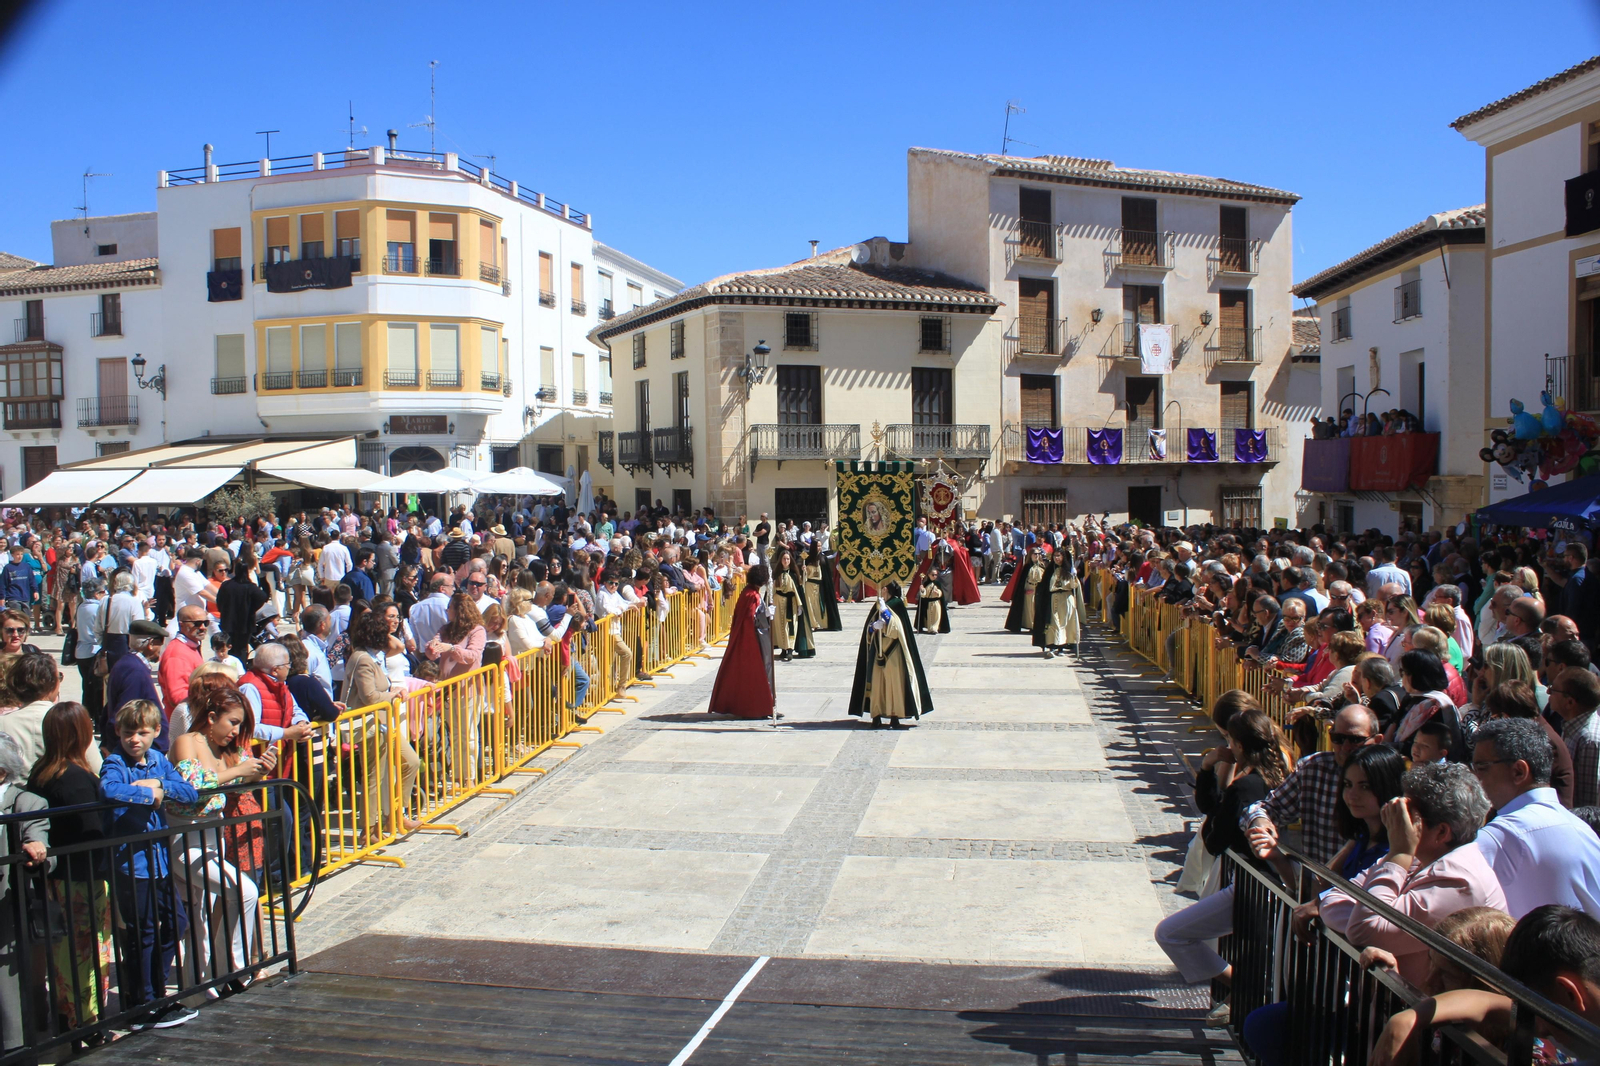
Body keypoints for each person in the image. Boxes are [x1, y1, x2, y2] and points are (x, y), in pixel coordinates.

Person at [1317, 762, 1507, 987]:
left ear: (1442, 831)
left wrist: (1399, 853)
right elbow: (1332, 900)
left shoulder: (1461, 881)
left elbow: (1362, 931)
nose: (1395, 820)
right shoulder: (1417, 857)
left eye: (1407, 814)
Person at [1155, 709, 1290, 1018]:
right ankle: (1243, 993)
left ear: (1238, 745)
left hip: (1250, 883)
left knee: (1171, 933)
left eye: (1228, 740)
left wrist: (1216, 780)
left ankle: (1244, 987)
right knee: (1252, 950)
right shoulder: (1276, 777)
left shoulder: (1245, 787)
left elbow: (1214, 839)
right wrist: (1213, 773)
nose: (1225, 746)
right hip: (1264, 882)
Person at [98, 699, 199, 1029]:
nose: (135, 740)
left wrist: (158, 785)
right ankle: (142, 1002)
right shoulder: (115, 762)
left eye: (142, 733)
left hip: (159, 862)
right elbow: (109, 788)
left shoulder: (157, 759)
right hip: (132, 864)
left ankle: (155, 991)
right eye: (128, 733)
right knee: (142, 933)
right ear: (118, 732)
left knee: (176, 923)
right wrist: (146, 796)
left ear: (156, 732)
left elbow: (188, 791)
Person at [169, 680, 268, 987]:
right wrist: (239, 770)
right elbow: (193, 784)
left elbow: (236, 783)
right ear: (212, 717)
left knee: (207, 916)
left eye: (240, 725)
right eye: (233, 723)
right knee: (242, 892)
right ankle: (232, 972)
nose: (236, 732)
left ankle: (207, 981)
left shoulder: (225, 750)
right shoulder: (187, 741)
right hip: (185, 839)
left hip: (213, 838)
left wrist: (259, 771)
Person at [28, 702, 113, 1032]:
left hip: (57, 877)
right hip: (83, 878)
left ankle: (68, 1014)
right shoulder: (76, 779)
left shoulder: (42, 772)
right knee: (86, 952)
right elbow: (90, 827)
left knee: (65, 953)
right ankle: (86, 1020)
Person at [1471, 717, 1600, 918]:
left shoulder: (1501, 836)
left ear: (1519, 771)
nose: (1475, 778)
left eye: (1481, 767)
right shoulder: (1583, 830)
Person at [0, 731, 47, 1051]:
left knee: (7, 988)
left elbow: (39, 836)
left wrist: (36, 848)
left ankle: (16, 1051)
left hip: (6, 907)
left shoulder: (25, 801)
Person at [0, 652, 101, 775]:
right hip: (62, 792)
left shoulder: (3, 723)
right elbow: (97, 769)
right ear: (53, 684)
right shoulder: (72, 721)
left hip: (13, 793)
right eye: (59, 677)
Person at [846, 586, 924, 728]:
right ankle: (876, 716)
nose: (880, 590)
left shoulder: (897, 604)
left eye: (883, 588)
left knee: (894, 685)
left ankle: (895, 715)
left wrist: (886, 615)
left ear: (888, 589)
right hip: (877, 650)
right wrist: (873, 627)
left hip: (893, 652)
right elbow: (869, 629)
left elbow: (897, 630)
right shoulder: (878, 604)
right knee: (877, 686)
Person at [708, 565, 775, 719]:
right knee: (759, 672)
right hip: (753, 640)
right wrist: (767, 614)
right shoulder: (753, 596)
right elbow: (753, 618)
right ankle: (760, 706)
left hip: (748, 638)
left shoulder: (748, 592)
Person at [105, 619, 170, 751]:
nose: (162, 648)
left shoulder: (128, 664)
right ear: (150, 643)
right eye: (160, 642)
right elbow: (128, 715)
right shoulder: (135, 670)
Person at [1551, 667, 1600, 808]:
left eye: (1553, 690)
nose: (1548, 693)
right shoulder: (1571, 727)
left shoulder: (1589, 740)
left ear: (1570, 702)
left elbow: (1588, 803)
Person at [1032, 547, 1085, 659]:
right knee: (1054, 623)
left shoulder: (1068, 570)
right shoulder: (1050, 569)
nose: (1056, 558)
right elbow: (1044, 584)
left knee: (1064, 624)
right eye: (1055, 556)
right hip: (1054, 598)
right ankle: (1053, 646)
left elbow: (1074, 586)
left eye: (1059, 556)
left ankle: (1062, 647)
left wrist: (1074, 577)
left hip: (1066, 599)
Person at [769, 547, 814, 663]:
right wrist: (771, 603)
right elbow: (772, 589)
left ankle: (790, 649)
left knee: (790, 626)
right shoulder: (776, 573)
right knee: (780, 626)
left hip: (791, 602)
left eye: (788, 559)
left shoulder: (794, 574)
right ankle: (783, 648)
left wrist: (799, 605)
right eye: (784, 559)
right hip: (778, 602)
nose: (786, 561)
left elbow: (799, 588)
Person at [1003, 548, 1046, 634]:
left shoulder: (1042, 566)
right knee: (1030, 610)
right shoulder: (1027, 567)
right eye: (1034, 554)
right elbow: (1023, 580)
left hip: (1038, 590)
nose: (1036, 555)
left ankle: (1038, 626)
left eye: (1038, 554)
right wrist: (1026, 589)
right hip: (1029, 590)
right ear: (1031, 555)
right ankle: (1031, 626)